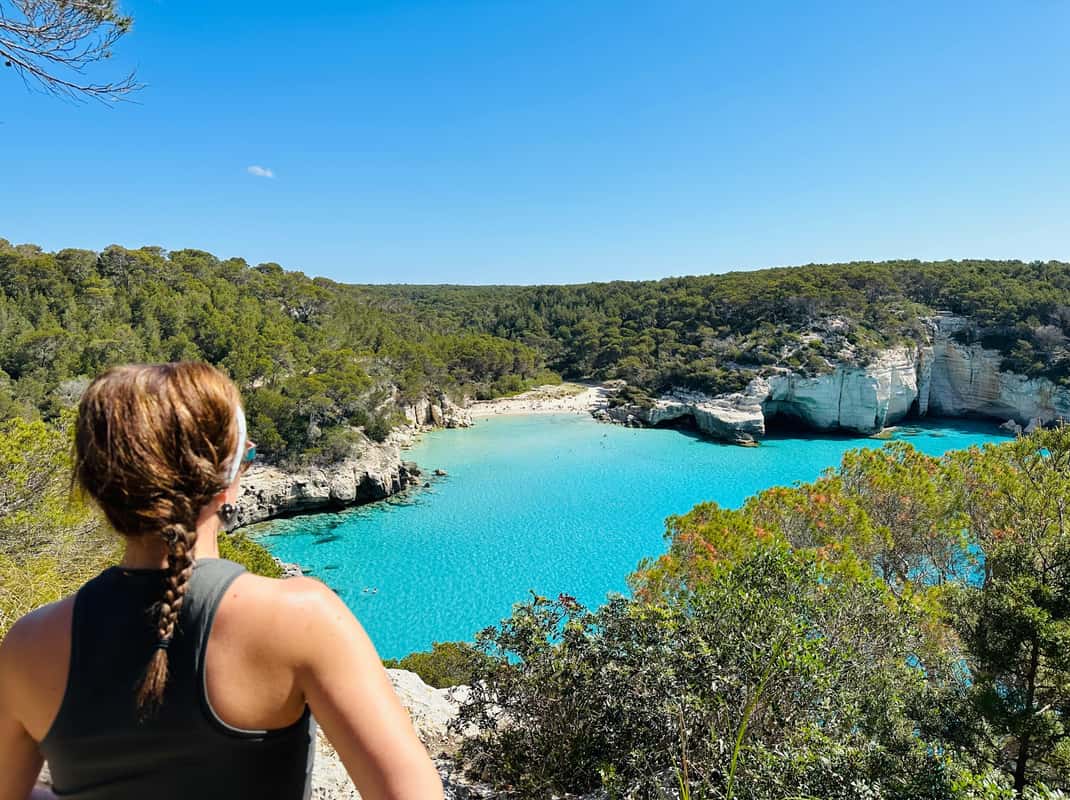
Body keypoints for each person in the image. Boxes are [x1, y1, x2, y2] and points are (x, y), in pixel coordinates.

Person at [0, 362, 444, 800]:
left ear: (98, 487)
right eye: (247, 457)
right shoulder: (301, 618)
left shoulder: (29, 643)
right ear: (227, 483)